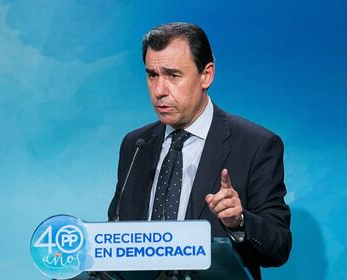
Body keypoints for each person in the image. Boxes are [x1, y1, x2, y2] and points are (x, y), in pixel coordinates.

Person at [108, 22, 291, 279]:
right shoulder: (136, 145)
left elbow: (279, 247)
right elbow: (116, 232)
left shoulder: (256, 145)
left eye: (172, 75)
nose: (159, 91)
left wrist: (239, 221)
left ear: (206, 75)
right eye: (152, 75)